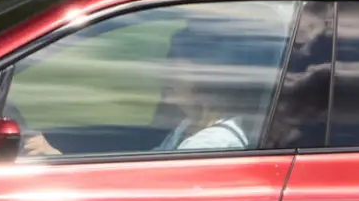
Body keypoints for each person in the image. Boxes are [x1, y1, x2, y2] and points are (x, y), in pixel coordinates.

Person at [20, 19, 277, 158]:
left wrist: (54, 157)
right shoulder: (189, 125)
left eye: (176, 64)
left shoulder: (211, 143)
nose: (166, 71)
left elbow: (150, 189)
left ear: (207, 78)